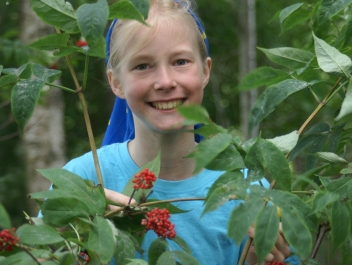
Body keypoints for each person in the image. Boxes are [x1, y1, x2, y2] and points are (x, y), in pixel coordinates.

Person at [63, 0, 299, 264]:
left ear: (205, 71)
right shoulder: (83, 179)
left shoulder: (251, 189)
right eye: (142, 66)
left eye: (180, 61)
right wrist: (73, 237)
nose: (165, 82)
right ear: (116, 82)